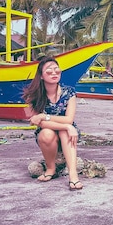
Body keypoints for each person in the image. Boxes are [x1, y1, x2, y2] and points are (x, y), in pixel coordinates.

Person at [22, 57, 83, 190]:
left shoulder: (69, 92)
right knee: (47, 134)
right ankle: (51, 168)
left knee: (64, 131)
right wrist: (66, 125)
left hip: (68, 134)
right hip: (48, 134)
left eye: (57, 70)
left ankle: (73, 175)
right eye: (49, 71)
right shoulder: (33, 95)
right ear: (42, 76)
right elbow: (36, 122)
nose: (54, 73)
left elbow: (69, 119)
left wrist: (45, 116)